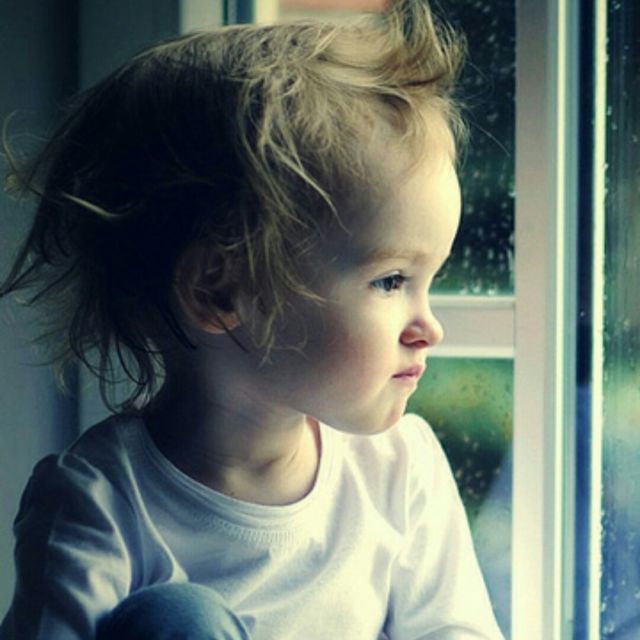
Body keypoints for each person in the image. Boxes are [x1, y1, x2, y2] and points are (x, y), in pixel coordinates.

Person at [0, 1, 504, 638]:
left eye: (429, 281)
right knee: (178, 618)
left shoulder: (400, 467)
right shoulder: (100, 500)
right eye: (390, 281)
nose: (428, 327)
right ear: (220, 291)